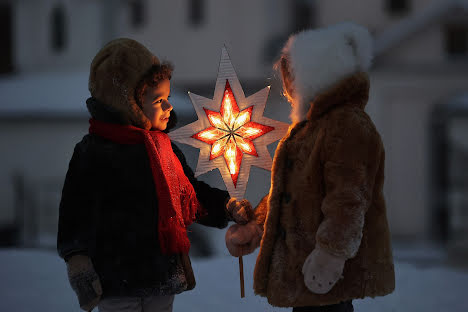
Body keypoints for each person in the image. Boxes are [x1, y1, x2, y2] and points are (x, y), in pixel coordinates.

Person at [57, 38, 251, 312]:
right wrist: (77, 258)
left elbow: (190, 196)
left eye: (168, 98)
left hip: (161, 274)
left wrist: (226, 206)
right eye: (158, 100)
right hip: (116, 279)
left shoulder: (163, 149)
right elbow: (74, 211)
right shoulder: (93, 153)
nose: (169, 107)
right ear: (129, 103)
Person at [225, 23, 395, 312]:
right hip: (303, 273)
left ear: (317, 74)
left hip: (327, 278)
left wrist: (330, 255)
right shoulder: (307, 130)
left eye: (293, 78)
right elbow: (289, 195)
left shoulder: (347, 126)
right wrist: (257, 225)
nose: (288, 88)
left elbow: (349, 200)